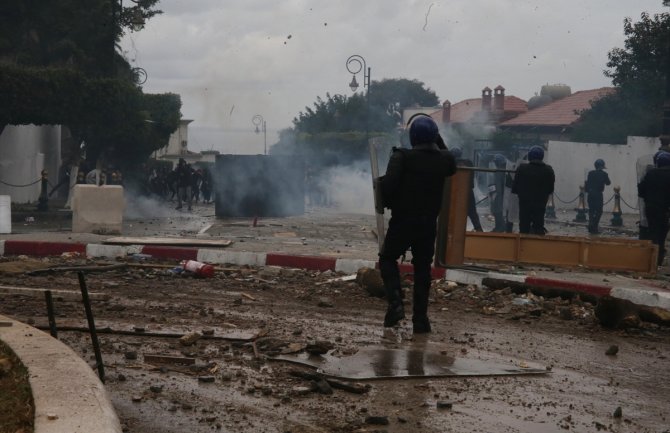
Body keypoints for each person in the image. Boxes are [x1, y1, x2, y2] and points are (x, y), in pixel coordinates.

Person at [378, 116, 456, 333]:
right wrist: (436, 137)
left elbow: (389, 187)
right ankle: (420, 320)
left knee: (387, 258)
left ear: (412, 136)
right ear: (435, 136)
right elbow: (449, 158)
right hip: (428, 223)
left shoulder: (401, 156)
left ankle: (395, 305)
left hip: (403, 220)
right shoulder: (444, 160)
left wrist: (382, 190)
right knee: (422, 268)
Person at [511, 146, 555, 235]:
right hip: (540, 204)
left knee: (524, 227)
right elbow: (550, 189)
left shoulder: (522, 168)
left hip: (525, 203)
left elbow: (515, 188)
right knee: (538, 227)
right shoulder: (549, 170)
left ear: (530, 156)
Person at [638, 151, 670, 266]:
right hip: (664, 210)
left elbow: (641, 192)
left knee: (653, 233)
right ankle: (659, 259)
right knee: (662, 235)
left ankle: (651, 258)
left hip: (651, 209)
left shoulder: (650, 173)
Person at [450, 147, 483, 231]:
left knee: (452, 212)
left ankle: (453, 230)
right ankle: (479, 230)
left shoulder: (450, 163)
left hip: (454, 191)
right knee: (472, 213)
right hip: (467, 191)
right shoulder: (468, 162)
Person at [585, 158, 611, 234]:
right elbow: (608, 183)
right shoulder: (604, 174)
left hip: (590, 194)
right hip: (598, 194)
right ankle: (594, 226)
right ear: (602, 166)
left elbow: (587, 184)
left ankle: (590, 224)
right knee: (599, 211)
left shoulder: (590, 173)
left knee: (591, 210)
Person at [488, 154, 508, 232]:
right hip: (501, 194)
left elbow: (498, 184)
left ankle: (500, 227)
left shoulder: (499, 172)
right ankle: (499, 226)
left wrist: (494, 194)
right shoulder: (503, 171)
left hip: (499, 194)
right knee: (498, 211)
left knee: (498, 211)